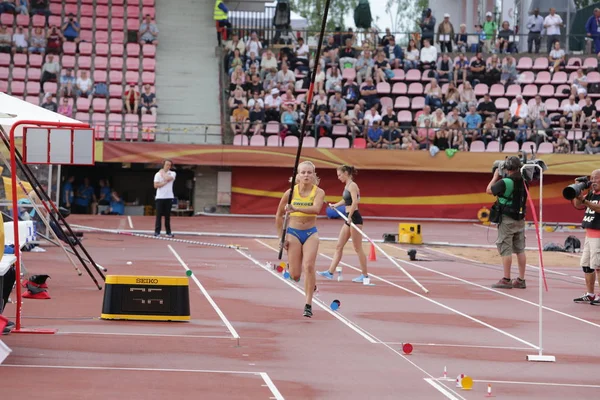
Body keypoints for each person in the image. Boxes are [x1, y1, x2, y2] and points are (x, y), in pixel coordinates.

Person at [276, 161, 325, 318]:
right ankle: (293, 267)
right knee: (295, 275)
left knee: (309, 266)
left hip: (311, 232)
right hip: (293, 233)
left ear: (314, 175)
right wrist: (281, 237)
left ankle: (308, 304)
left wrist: (296, 208)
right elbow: (278, 216)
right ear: (297, 175)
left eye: (309, 173)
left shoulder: (319, 192)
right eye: (303, 172)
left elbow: (316, 209)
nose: (306, 175)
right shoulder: (289, 193)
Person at [318, 165, 369, 283]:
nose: (338, 177)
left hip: (354, 218)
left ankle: (365, 275)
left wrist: (350, 217)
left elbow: (355, 202)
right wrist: (335, 205)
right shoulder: (347, 186)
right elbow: (346, 200)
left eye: (340, 175)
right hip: (348, 218)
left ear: (346, 173)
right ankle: (330, 272)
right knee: (339, 246)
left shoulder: (353, 185)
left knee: (357, 247)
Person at [486, 156, 528, 289]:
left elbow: (488, 190)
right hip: (520, 219)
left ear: (508, 168)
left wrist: (495, 177)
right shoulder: (524, 181)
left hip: (507, 219)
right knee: (520, 249)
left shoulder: (505, 182)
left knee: (506, 248)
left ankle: (506, 279)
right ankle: (521, 279)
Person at [572, 170, 600, 304]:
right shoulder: (591, 193)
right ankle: (590, 294)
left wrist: (585, 201)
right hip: (589, 233)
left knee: (598, 265)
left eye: (596, 178)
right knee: (587, 265)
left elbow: (599, 208)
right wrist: (577, 191)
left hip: (599, 235)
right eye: (592, 178)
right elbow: (578, 205)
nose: (593, 181)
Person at [153, 160, 176, 237]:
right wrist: (163, 183)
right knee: (158, 215)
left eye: (169, 165)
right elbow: (155, 185)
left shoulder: (173, 173)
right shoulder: (157, 174)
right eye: (166, 165)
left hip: (169, 197)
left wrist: (162, 173)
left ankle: (168, 232)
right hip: (160, 197)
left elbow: (168, 178)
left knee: (167, 216)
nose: (168, 166)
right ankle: (157, 232)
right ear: (163, 165)